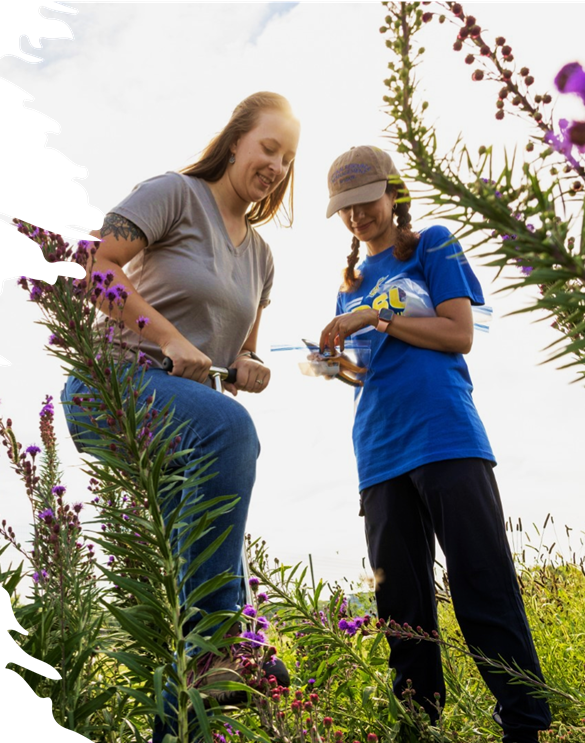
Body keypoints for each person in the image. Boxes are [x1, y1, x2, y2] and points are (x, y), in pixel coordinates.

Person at [60, 92, 300, 736]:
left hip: (183, 423)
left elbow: (239, 354)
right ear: (236, 140)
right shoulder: (174, 193)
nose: (276, 166)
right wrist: (167, 337)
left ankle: (186, 714)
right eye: (268, 148)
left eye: (288, 159)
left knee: (174, 583)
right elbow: (96, 266)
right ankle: (221, 646)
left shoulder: (262, 258)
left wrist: (251, 365)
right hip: (113, 385)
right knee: (230, 428)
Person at [318, 145, 551, 743]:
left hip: (444, 435)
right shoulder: (348, 282)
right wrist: (332, 363)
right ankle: (419, 727)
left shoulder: (432, 244)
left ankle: (525, 721)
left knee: (481, 582)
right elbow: (366, 370)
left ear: (393, 193)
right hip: (378, 450)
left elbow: (458, 334)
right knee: (401, 609)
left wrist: (376, 317)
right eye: (344, 209)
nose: (356, 217)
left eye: (364, 202)